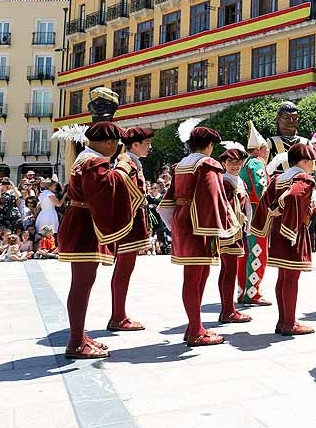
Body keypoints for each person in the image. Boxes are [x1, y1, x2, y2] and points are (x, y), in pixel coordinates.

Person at [57, 121, 142, 359]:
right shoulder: (94, 161)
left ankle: (79, 335)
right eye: (116, 144)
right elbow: (105, 187)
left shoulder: (87, 158)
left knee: (83, 284)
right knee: (82, 285)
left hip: (82, 223)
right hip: (84, 227)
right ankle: (75, 342)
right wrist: (123, 168)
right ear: (108, 142)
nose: (117, 150)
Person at [161, 124, 231, 348]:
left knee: (194, 275)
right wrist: (226, 225)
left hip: (182, 218)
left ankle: (194, 326)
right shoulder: (207, 164)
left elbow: (169, 198)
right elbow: (214, 197)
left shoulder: (181, 165)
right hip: (200, 221)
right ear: (210, 145)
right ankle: (196, 330)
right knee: (195, 277)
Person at [252, 143, 316, 335]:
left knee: (283, 277)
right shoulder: (303, 178)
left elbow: (265, 201)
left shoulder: (279, 178)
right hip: (293, 231)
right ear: (304, 161)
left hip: (277, 231)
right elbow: (294, 196)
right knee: (291, 278)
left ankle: (283, 321)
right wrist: (282, 206)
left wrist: (273, 214)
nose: (313, 165)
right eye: (312, 161)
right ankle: (290, 323)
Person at [108, 127, 154, 333]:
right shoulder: (126, 160)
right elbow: (118, 181)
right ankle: (118, 316)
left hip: (132, 221)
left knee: (125, 268)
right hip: (129, 222)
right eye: (147, 143)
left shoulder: (132, 160)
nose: (150, 147)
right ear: (135, 144)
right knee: (124, 269)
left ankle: (119, 314)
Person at [215, 142, 251, 325]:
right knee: (229, 271)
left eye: (238, 162)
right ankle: (228, 311)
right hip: (230, 231)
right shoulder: (225, 181)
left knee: (229, 270)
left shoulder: (240, 181)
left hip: (239, 229)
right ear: (224, 163)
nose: (235, 165)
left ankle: (228, 309)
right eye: (231, 162)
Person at [238, 121, 271, 306]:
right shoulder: (257, 163)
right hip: (257, 212)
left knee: (246, 253)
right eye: (265, 148)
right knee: (258, 252)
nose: (267, 152)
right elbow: (261, 188)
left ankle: (243, 289)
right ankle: (253, 293)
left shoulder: (245, 163)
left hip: (245, 212)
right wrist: (270, 206)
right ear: (258, 149)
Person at [266, 103, 309, 175]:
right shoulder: (271, 142)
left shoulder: (306, 142)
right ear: (278, 119)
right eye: (286, 117)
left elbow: (311, 170)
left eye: (295, 117)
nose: (291, 121)